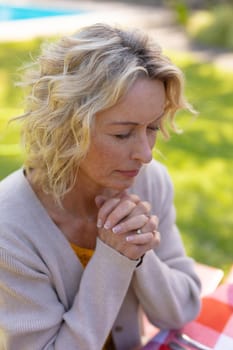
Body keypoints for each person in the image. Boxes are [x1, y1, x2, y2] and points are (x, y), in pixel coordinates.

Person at [0, 23, 201, 350]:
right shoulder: (9, 232)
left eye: (152, 127)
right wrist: (113, 258)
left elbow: (181, 311)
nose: (146, 154)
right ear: (65, 128)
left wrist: (137, 250)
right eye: (123, 134)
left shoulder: (150, 183)